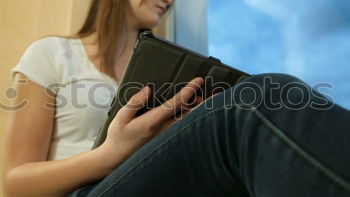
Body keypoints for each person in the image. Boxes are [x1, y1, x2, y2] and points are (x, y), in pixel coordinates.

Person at [3, 0, 350, 197]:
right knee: (263, 97)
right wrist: (109, 156)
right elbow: (14, 183)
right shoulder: (52, 53)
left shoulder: (161, 70)